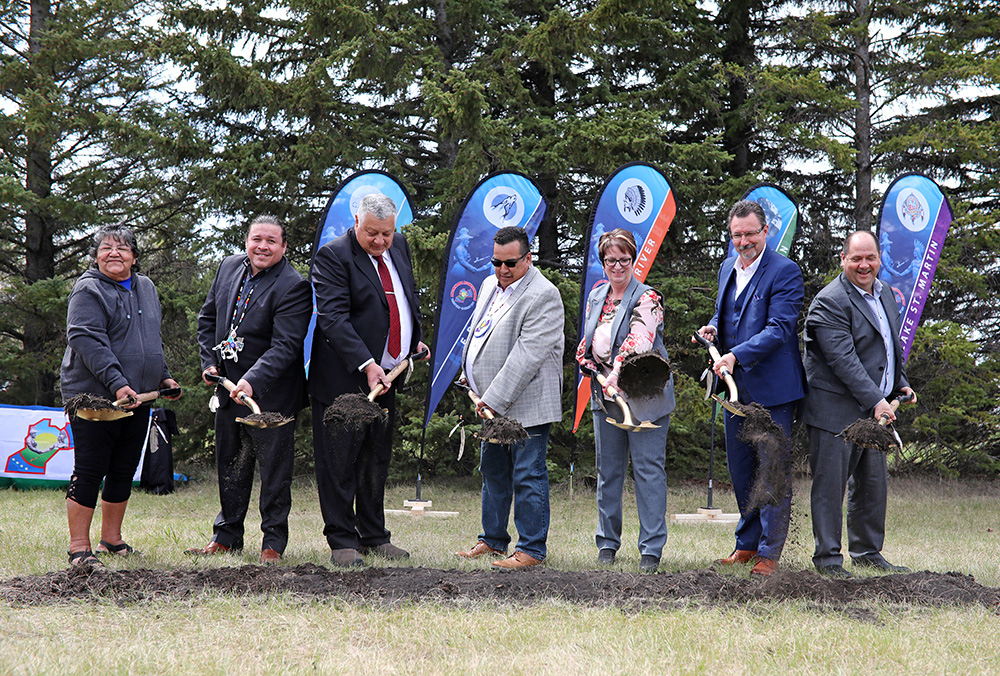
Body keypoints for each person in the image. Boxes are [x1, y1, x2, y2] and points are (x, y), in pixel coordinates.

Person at [309, 193, 429, 567]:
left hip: (388, 376)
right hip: (343, 379)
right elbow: (333, 319)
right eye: (372, 233)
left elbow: (403, 298)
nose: (380, 241)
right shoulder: (333, 256)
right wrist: (365, 362)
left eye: (387, 234)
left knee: (376, 458)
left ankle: (374, 535)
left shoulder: (400, 246)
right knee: (339, 461)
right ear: (356, 221)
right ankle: (343, 540)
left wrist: (413, 340)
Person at [187, 215, 311, 564]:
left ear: (284, 247)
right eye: (257, 239)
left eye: (272, 241)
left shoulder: (294, 285)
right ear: (247, 241)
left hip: (272, 394)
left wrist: (252, 380)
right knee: (230, 464)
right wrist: (208, 363)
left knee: (274, 471)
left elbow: (286, 346)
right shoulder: (229, 268)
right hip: (228, 387)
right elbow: (207, 319)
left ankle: (273, 543)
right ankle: (226, 537)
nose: (263, 246)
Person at [695, 200, 806, 577]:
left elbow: (780, 329)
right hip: (734, 392)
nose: (744, 241)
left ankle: (769, 554)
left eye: (750, 234)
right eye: (737, 235)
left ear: (766, 233)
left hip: (774, 392)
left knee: (771, 470)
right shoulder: (728, 266)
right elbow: (724, 314)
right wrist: (713, 328)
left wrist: (735, 355)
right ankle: (746, 544)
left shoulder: (785, 272)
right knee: (741, 470)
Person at [61, 224, 181, 567]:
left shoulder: (146, 287)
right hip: (95, 399)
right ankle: (79, 548)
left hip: (138, 397)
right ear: (95, 256)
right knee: (90, 470)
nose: (114, 253)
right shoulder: (87, 290)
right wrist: (116, 382)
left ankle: (111, 540)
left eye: (123, 248)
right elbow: (86, 340)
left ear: (134, 256)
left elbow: (149, 342)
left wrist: (164, 376)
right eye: (106, 248)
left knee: (123, 469)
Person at [802, 230, 917, 578]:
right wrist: (878, 401)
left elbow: (888, 349)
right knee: (831, 485)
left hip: (874, 408)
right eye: (856, 258)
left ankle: (867, 552)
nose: (864, 265)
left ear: (879, 258)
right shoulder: (830, 301)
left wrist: (900, 383)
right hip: (833, 410)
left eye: (870, 258)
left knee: (871, 484)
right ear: (843, 260)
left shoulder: (885, 295)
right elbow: (844, 362)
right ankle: (828, 559)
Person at [455, 226, 564, 570]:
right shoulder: (490, 285)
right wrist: (468, 371)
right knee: (493, 470)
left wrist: (492, 399)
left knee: (528, 473)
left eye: (511, 264)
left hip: (526, 404)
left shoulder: (544, 294)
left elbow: (527, 356)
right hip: (492, 404)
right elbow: (479, 333)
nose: (502, 270)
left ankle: (531, 549)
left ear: (528, 259)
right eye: (496, 262)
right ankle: (492, 540)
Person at [576, 229, 675, 572]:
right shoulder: (596, 295)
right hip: (605, 397)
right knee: (608, 472)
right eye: (610, 260)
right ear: (602, 262)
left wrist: (616, 372)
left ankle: (651, 550)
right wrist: (586, 358)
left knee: (648, 471)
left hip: (643, 395)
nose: (617, 266)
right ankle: (607, 544)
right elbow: (589, 338)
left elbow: (638, 341)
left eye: (624, 259)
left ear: (633, 260)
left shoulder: (648, 298)